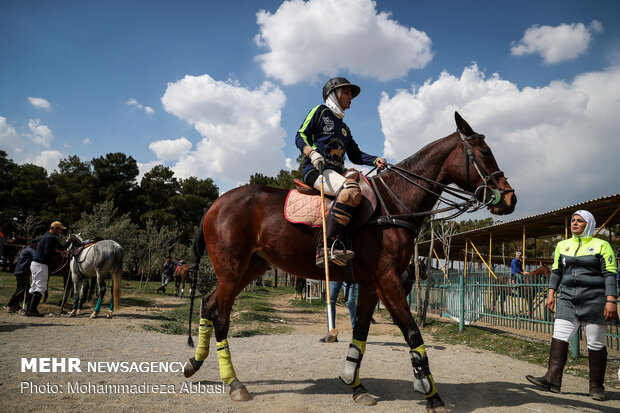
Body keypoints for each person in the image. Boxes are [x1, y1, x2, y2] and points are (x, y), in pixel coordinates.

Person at [526, 210, 618, 401]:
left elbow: (610, 273)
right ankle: (552, 380)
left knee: (595, 342)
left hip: (594, 299)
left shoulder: (602, 245)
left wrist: (611, 300)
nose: (574, 224)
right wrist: (551, 293)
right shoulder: (562, 245)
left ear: (589, 225)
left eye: (580, 221)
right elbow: (557, 272)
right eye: (573, 221)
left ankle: (596, 387)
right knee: (559, 335)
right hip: (567, 298)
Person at [295, 77, 387, 267]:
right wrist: (311, 153)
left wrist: (374, 159)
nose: (350, 97)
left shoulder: (344, 128)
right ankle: (324, 247)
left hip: (335, 173)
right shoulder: (320, 111)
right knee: (350, 190)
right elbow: (300, 135)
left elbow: (356, 154)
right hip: (316, 170)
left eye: (351, 94)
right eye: (346, 92)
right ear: (333, 94)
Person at [27, 222, 71, 317]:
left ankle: (29, 309)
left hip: (35, 264)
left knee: (34, 286)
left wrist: (68, 242)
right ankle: (32, 310)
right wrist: (60, 253)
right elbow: (48, 252)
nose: (60, 231)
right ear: (55, 228)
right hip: (41, 265)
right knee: (40, 287)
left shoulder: (47, 236)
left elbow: (61, 247)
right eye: (59, 229)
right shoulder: (51, 238)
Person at [5, 238, 37, 313]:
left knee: (25, 289)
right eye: (36, 244)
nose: (36, 246)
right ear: (31, 243)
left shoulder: (26, 249)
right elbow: (36, 255)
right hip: (22, 272)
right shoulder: (29, 249)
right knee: (21, 289)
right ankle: (9, 304)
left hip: (22, 271)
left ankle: (15, 304)